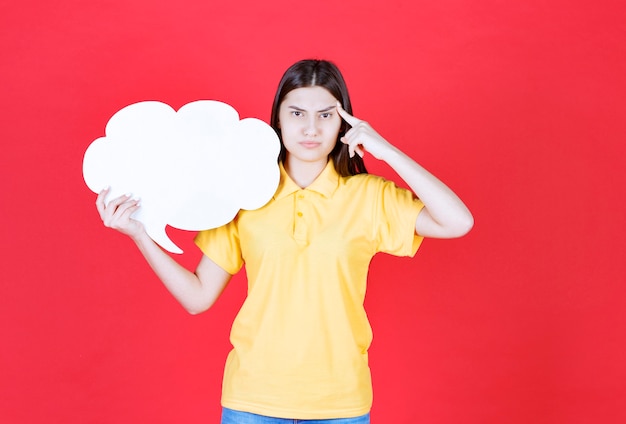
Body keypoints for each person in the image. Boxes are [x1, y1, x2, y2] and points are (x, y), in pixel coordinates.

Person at [96, 59, 473, 423]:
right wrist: (140, 235)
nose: (311, 128)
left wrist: (385, 150)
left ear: (345, 122)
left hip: (340, 404)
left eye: (326, 115)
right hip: (252, 400)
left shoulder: (370, 197)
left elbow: (457, 221)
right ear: (277, 118)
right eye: (297, 113)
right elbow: (197, 298)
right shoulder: (243, 194)